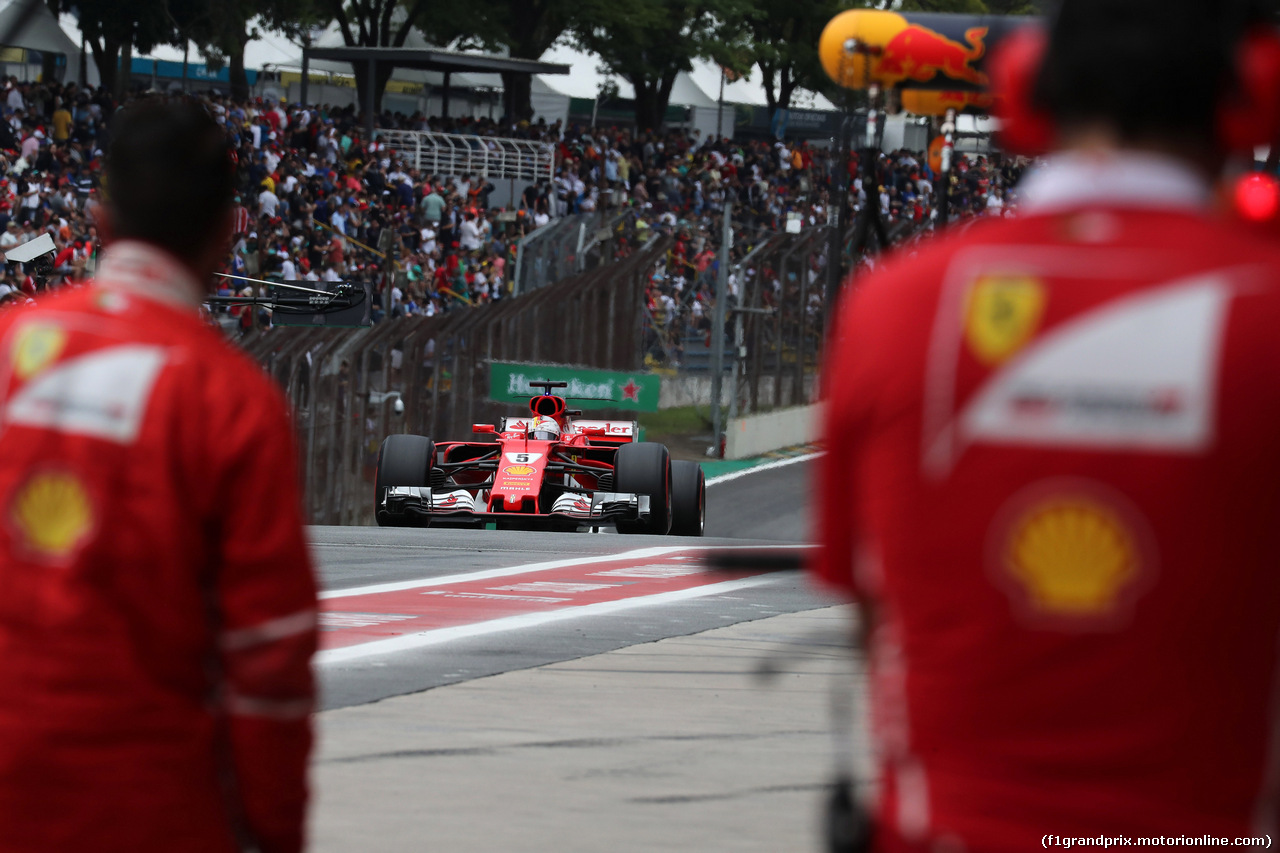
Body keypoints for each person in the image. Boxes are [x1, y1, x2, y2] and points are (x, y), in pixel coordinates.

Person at [815, 2, 1280, 851]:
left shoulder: (892, 304)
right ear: (1251, 101)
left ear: (1028, 97)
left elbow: (864, 602)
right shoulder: (1263, 302)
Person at [0, 100, 317, 852]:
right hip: (150, 810)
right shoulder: (230, 398)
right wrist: (272, 830)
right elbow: (270, 650)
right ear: (225, 232)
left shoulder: (11, 345)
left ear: (101, 223)